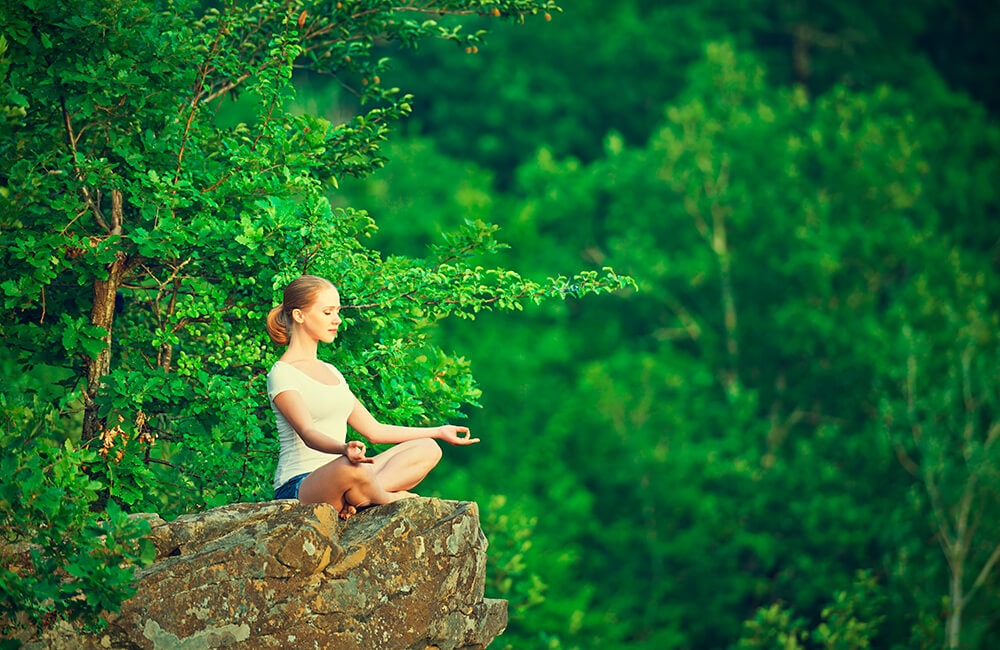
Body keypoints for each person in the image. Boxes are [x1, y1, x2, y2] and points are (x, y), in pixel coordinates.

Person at [265, 275, 479, 519]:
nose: (337, 320)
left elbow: (374, 430)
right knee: (351, 468)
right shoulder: (282, 373)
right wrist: (343, 448)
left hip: (349, 474)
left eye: (337, 311)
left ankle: (359, 496)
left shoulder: (331, 371)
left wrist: (438, 431)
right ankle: (383, 497)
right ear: (299, 315)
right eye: (327, 312)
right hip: (300, 486)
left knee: (428, 448)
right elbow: (308, 433)